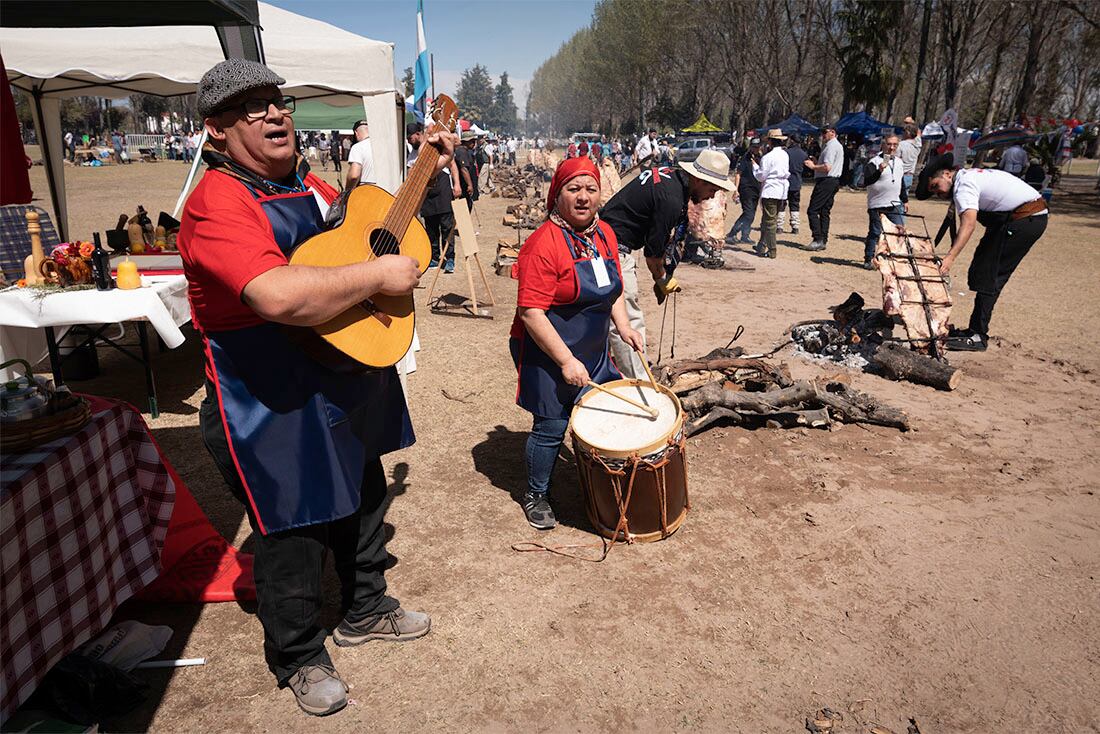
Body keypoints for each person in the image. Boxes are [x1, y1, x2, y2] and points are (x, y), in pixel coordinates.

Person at [178, 58, 456, 717]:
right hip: (263, 395)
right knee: (294, 528)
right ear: (216, 130)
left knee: (362, 492)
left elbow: (346, 244)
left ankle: (365, 607)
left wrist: (425, 172)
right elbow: (276, 295)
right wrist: (380, 278)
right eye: (253, 108)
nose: (275, 114)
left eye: (278, 102)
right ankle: (299, 654)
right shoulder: (216, 203)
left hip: (336, 370)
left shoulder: (302, 184)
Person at [509, 157, 644, 529]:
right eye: (573, 189)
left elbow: (611, 289)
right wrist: (566, 361)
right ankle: (536, 493)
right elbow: (531, 313)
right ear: (558, 195)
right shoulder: (543, 244)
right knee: (552, 425)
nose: (583, 197)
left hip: (593, 348)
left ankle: (598, 483)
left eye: (590, 189)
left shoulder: (604, 235)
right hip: (545, 350)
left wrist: (625, 326)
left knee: (603, 413)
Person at [600, 149, 735, 378]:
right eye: (712, 189)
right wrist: (662, 279)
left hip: (605, 242)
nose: (712, 196)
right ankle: (642, 384)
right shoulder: (671, 199)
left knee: (607, 315)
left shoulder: (670, 177)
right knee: (627, 319)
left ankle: (613, 370)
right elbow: (653, 256)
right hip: (611, 250)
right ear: (700, 180)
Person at [916, 154, 1048, 352]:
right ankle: (974, 330)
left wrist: (950, 257)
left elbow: (968, 224)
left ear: (946, 174)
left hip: (1024, 220)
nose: (938, 193)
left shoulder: (963, 185)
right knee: (982, 268)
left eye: (936, 186)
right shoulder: (966, 178)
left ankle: (978, 335)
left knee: (991, 275)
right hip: (1018, 219)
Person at [408, 122, 461, 273]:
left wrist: (456, 184)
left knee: (446, 227)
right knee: (431, 229)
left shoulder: (436, 147)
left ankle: (449, 258)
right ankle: (434, 257)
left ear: (418, 134)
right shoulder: (412, 155)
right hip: (426, 195)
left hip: (443, 192)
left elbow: (452, 166)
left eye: (409, 137)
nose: (408, 140)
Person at [862, 134, 908, 269]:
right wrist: (879, 170)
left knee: (898, 232)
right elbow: (867, 181)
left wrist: (905, 200)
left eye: (895, 145)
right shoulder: (874, 162)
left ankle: (894, 260)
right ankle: (868, 259)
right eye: (889, 144)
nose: (892, 147)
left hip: (895, 203)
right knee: (876, 232)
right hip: (877, 203)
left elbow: (901, 182)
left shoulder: (899, 162)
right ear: (883, 145)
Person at [805, 124, 844, 251]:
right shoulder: (834, 146)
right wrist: (817, 162)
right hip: (832, 181)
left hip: (826, 181)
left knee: (813, 210)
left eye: (824, 132)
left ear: (833, 132)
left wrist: (813, 166)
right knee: (824, 211)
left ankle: (817, 239)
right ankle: (823, 239)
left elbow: (827, 168)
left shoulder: (831, 147)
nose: (823, 135)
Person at [753, 129, 790, 259]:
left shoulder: (768, 157)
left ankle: (772, 250)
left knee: (769, 221)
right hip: (781, 190)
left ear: (770, 141)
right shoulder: (785, 155)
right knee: (768, 219)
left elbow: (761, 176)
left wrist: (755, 167)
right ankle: (761, 245)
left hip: (771, 190)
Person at [724, 138, 762, 245]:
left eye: (758, 146)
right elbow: (738, 174)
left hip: (756, 189)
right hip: (746, 189)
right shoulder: (745, 158)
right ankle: (732, 234)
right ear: (750, 147)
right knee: (748, 213)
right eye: (754, 146)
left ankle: (745, 235)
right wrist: (736, 190)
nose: (756, 148)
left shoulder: (760, 157)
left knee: (751, 214)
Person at [777, 135, 807, 235]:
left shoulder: (785, 153)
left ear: (792, 141)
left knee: (781, 204)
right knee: (795, 204)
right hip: (797, 182)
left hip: (785, 182)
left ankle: (779, 226)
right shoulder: (803, 154)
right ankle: (795, 226)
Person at [344, 119, 375, 188]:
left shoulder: (358, 147)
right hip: (390, 193)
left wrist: (347, 192)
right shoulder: (385, 146)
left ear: (356, 133)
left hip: (367, 191)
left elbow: (354, 176)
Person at [454, 130, 480, 212]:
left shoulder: (467, 152)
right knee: (465, 208)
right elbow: (464, 169)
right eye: (472, 141)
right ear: (466, 141)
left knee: (469, 205)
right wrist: (469, 185)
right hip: (464, 186)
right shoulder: (461, 152)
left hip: (467, 185)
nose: (474, 143)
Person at [897, 124, 921, 193]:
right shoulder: (917, 146)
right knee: (904, 198)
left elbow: (895, 159)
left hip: (900, 175)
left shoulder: (901, 145)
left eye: (903, 132)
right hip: (909, 177)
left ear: (907, 133)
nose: (902, 134)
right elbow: (918, 136)